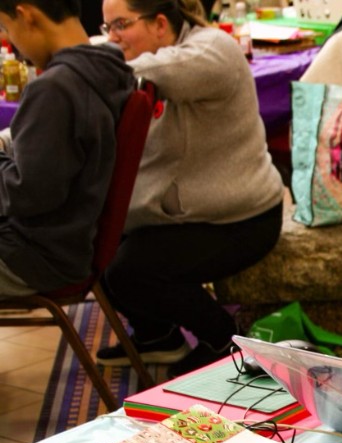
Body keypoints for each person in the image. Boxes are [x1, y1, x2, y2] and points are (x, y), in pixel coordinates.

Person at [96, 0, 284, 377]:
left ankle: (225, 342)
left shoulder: (211, 50)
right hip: (195, 210)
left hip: (243, 218)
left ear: (161, 23)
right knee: (93, 240)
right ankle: (157, 336)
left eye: (120, 25)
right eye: (106, 28)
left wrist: (84, 62)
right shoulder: (161, 56)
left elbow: (142, 68)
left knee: (129, 268)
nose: (113, 38)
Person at [0, 0, 135, 298]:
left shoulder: (55, 88)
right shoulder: (109, 69)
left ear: (26, 16)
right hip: (68, 245)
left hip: (31, 256)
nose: (12, 44)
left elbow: (27, 194)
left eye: (8, 29)